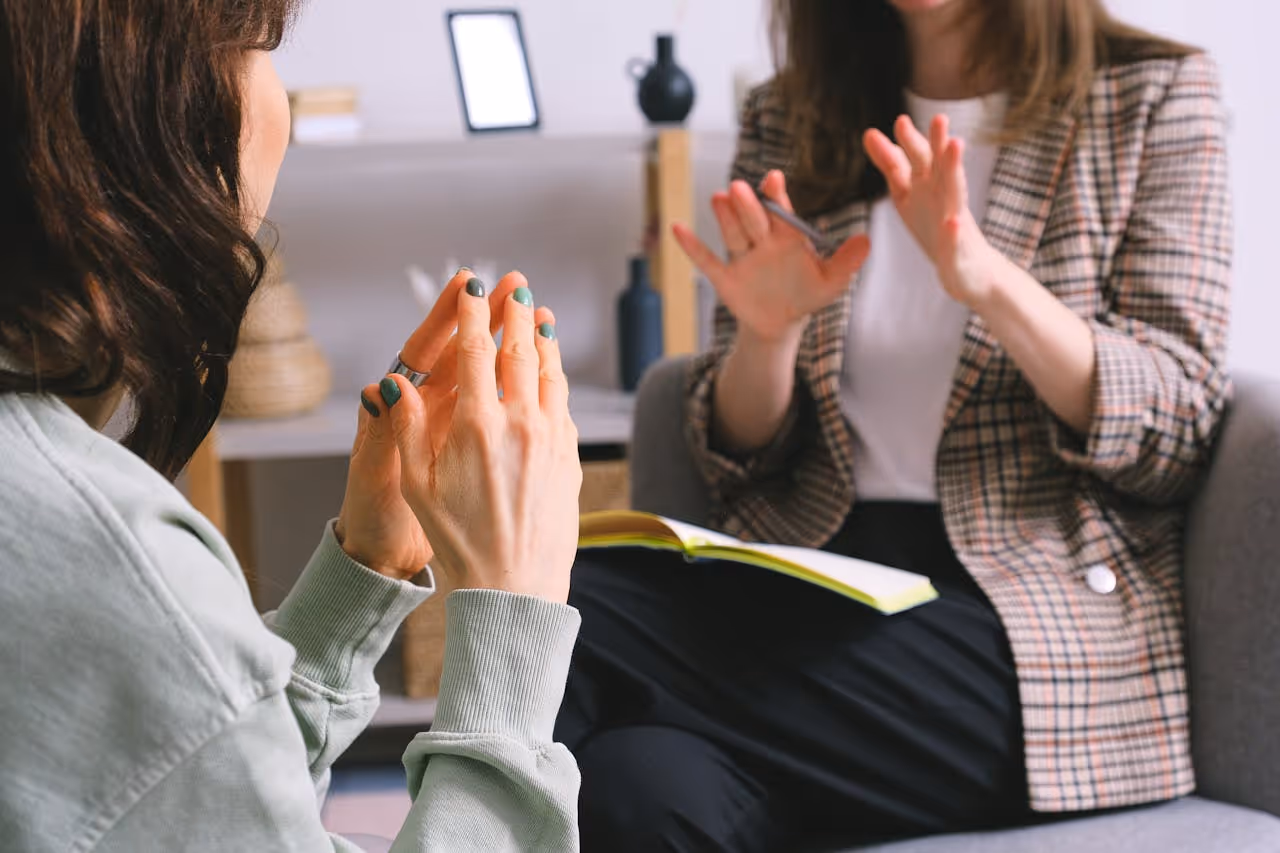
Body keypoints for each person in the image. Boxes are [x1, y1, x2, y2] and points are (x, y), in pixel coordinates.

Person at [555, 0, 1232, 849]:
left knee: (559, 595)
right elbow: (741, 460)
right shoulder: (794, 114)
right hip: (808, 594)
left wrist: (987, 280)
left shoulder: (1152, 94)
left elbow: (1180, 430)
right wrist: (769, 334)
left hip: (1023, 635)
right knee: (634, 791)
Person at [0, 2, 583, 851]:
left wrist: (363, 573)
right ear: (135, 102)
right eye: (260, 49)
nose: (282, 106)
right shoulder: (115, 567)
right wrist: (516, 613)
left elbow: (188, 798)